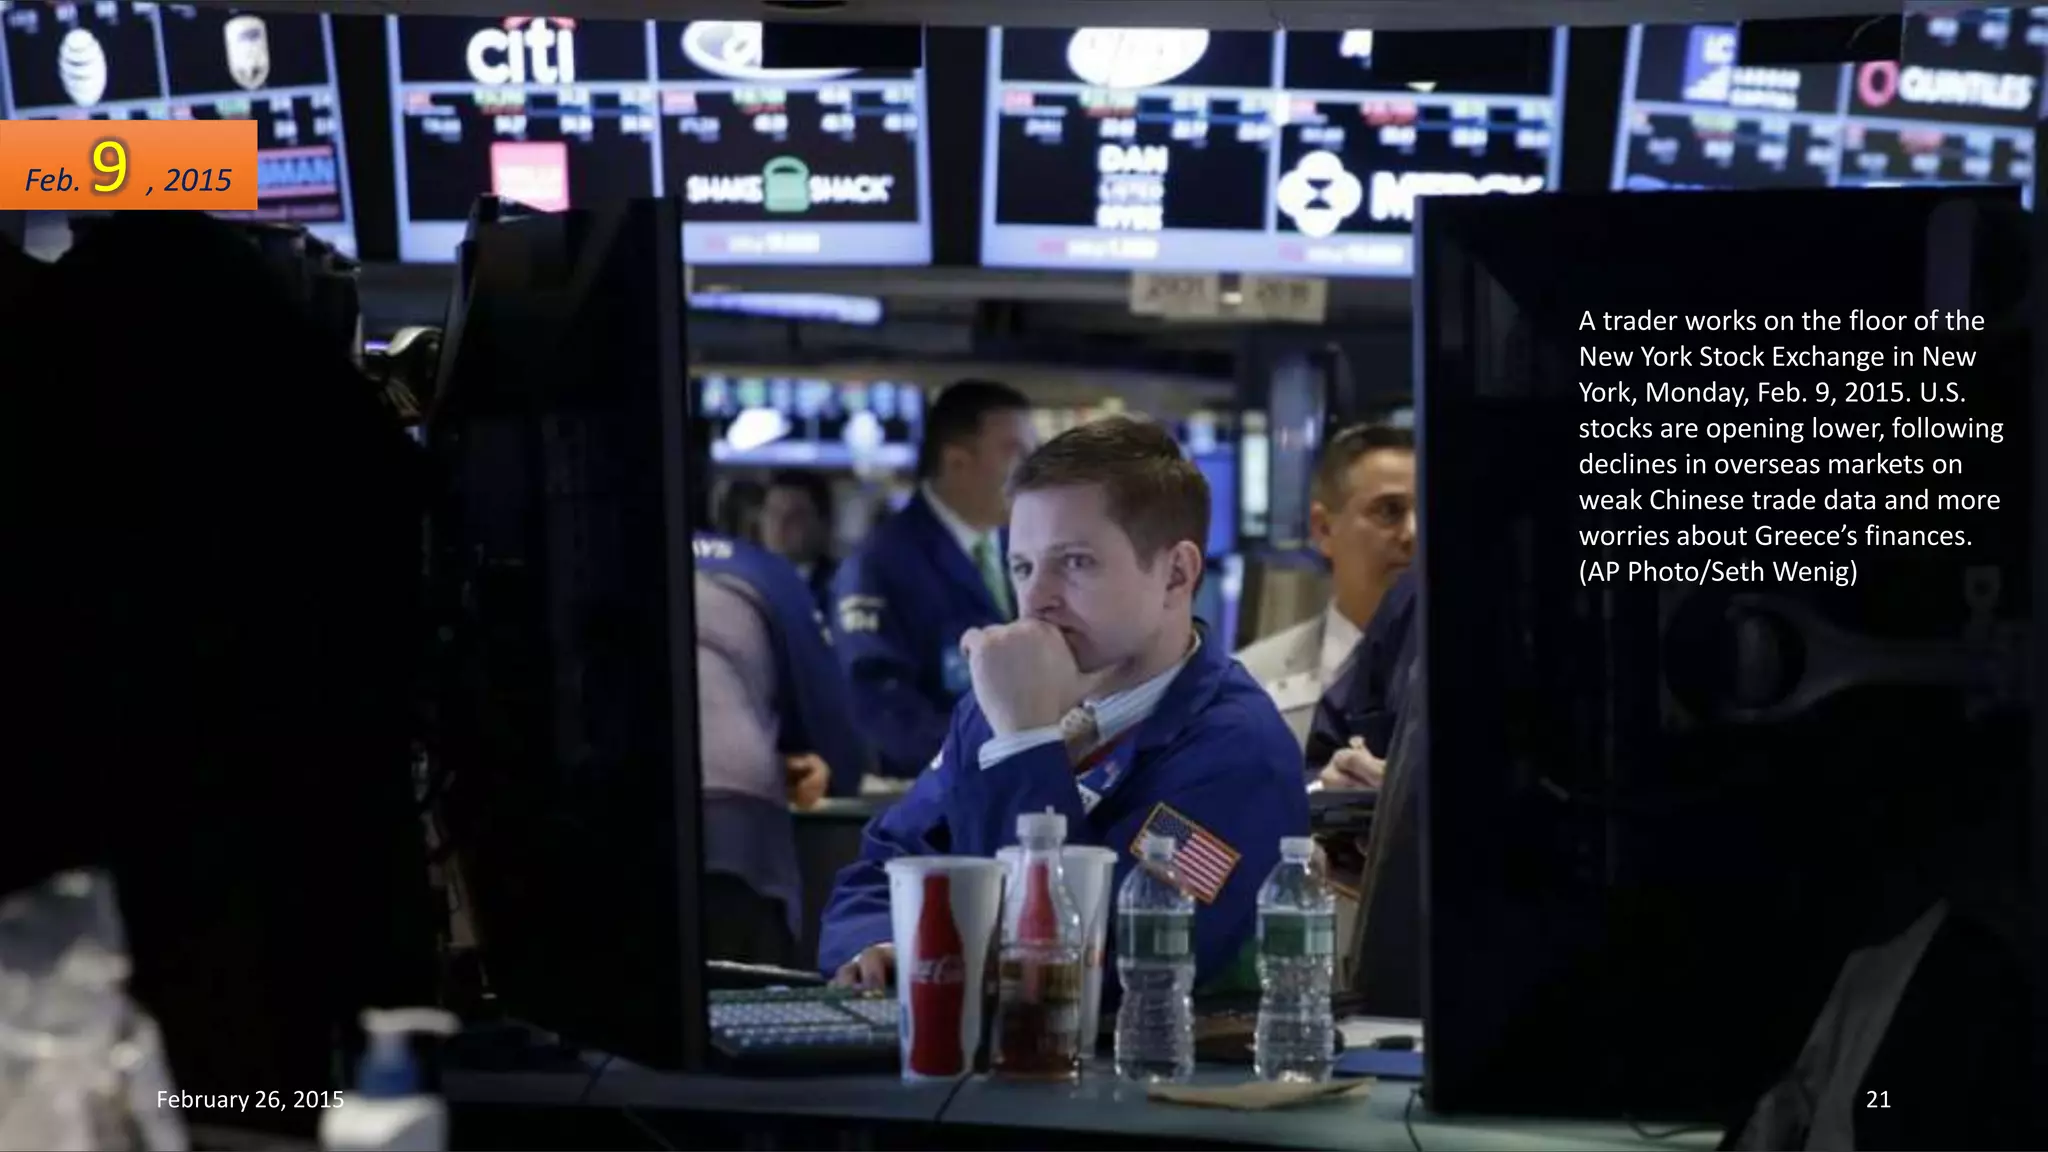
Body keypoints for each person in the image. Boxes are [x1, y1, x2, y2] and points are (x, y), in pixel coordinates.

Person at [819, 417, 1308, 989]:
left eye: (1075, 562)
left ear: (1177, 574)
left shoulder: (1239, 753)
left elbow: (1104, 969)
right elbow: (886, 862)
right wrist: (882, 944)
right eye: (1022, 566)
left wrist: (1026, 742)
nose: (1036, 598)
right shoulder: (995, 705)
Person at [830, 380, 1036, 778]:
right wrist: (996, 755)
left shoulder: (1028, 550)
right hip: (938, 790)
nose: (1034, 472)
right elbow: (880, 712)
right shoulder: (881, 564)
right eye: (1017, 454)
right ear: (957, 462)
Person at [695, 531, 868, 967]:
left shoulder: (605, 569)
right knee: (744, 996)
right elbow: (833, 732)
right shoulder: (760, 569)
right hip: (735, 823)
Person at [1236, 424, 1415, 747]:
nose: (1412, 534)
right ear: (1323, 529)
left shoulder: (1478, 679)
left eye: (1428, 513)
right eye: (1389, 511)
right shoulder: (1248, 684)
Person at [760, 470, 838, 614]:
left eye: (796, 516)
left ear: (823, 524)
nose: (780, 525)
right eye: (773, 513)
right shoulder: (745, 579)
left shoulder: (841, 586)